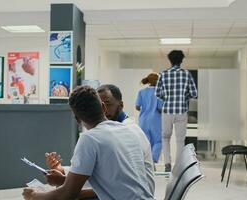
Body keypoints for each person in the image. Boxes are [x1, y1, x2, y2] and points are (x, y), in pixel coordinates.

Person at [23, 86, 154, 200]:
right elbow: (114, 177)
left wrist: (35, 196)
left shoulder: (89, 139)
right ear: (103, 107)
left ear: (77, 119)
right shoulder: (128, 130)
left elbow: (68, 194)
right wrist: (64, 177)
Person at [155, 50, 197, 172]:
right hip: (181, 111)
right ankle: (178, 165)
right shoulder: (186, 74)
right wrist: (184, 97)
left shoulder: (163, 74)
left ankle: (167, 164)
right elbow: (194, 93)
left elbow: (157, 93)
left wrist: (167, 97)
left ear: (170, 60)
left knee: (165, 138)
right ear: (181, 60)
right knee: (180, 140)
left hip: (167, 110)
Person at [136, 73, 163, 164]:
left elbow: (137, 107)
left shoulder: (141, 92)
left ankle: (145, 160)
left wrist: (146, 109)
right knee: (158, 141)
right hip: (155, 120)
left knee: (145, 141)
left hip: (143, 120)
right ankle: (153, 159)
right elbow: (160, 108)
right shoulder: (160, 92)